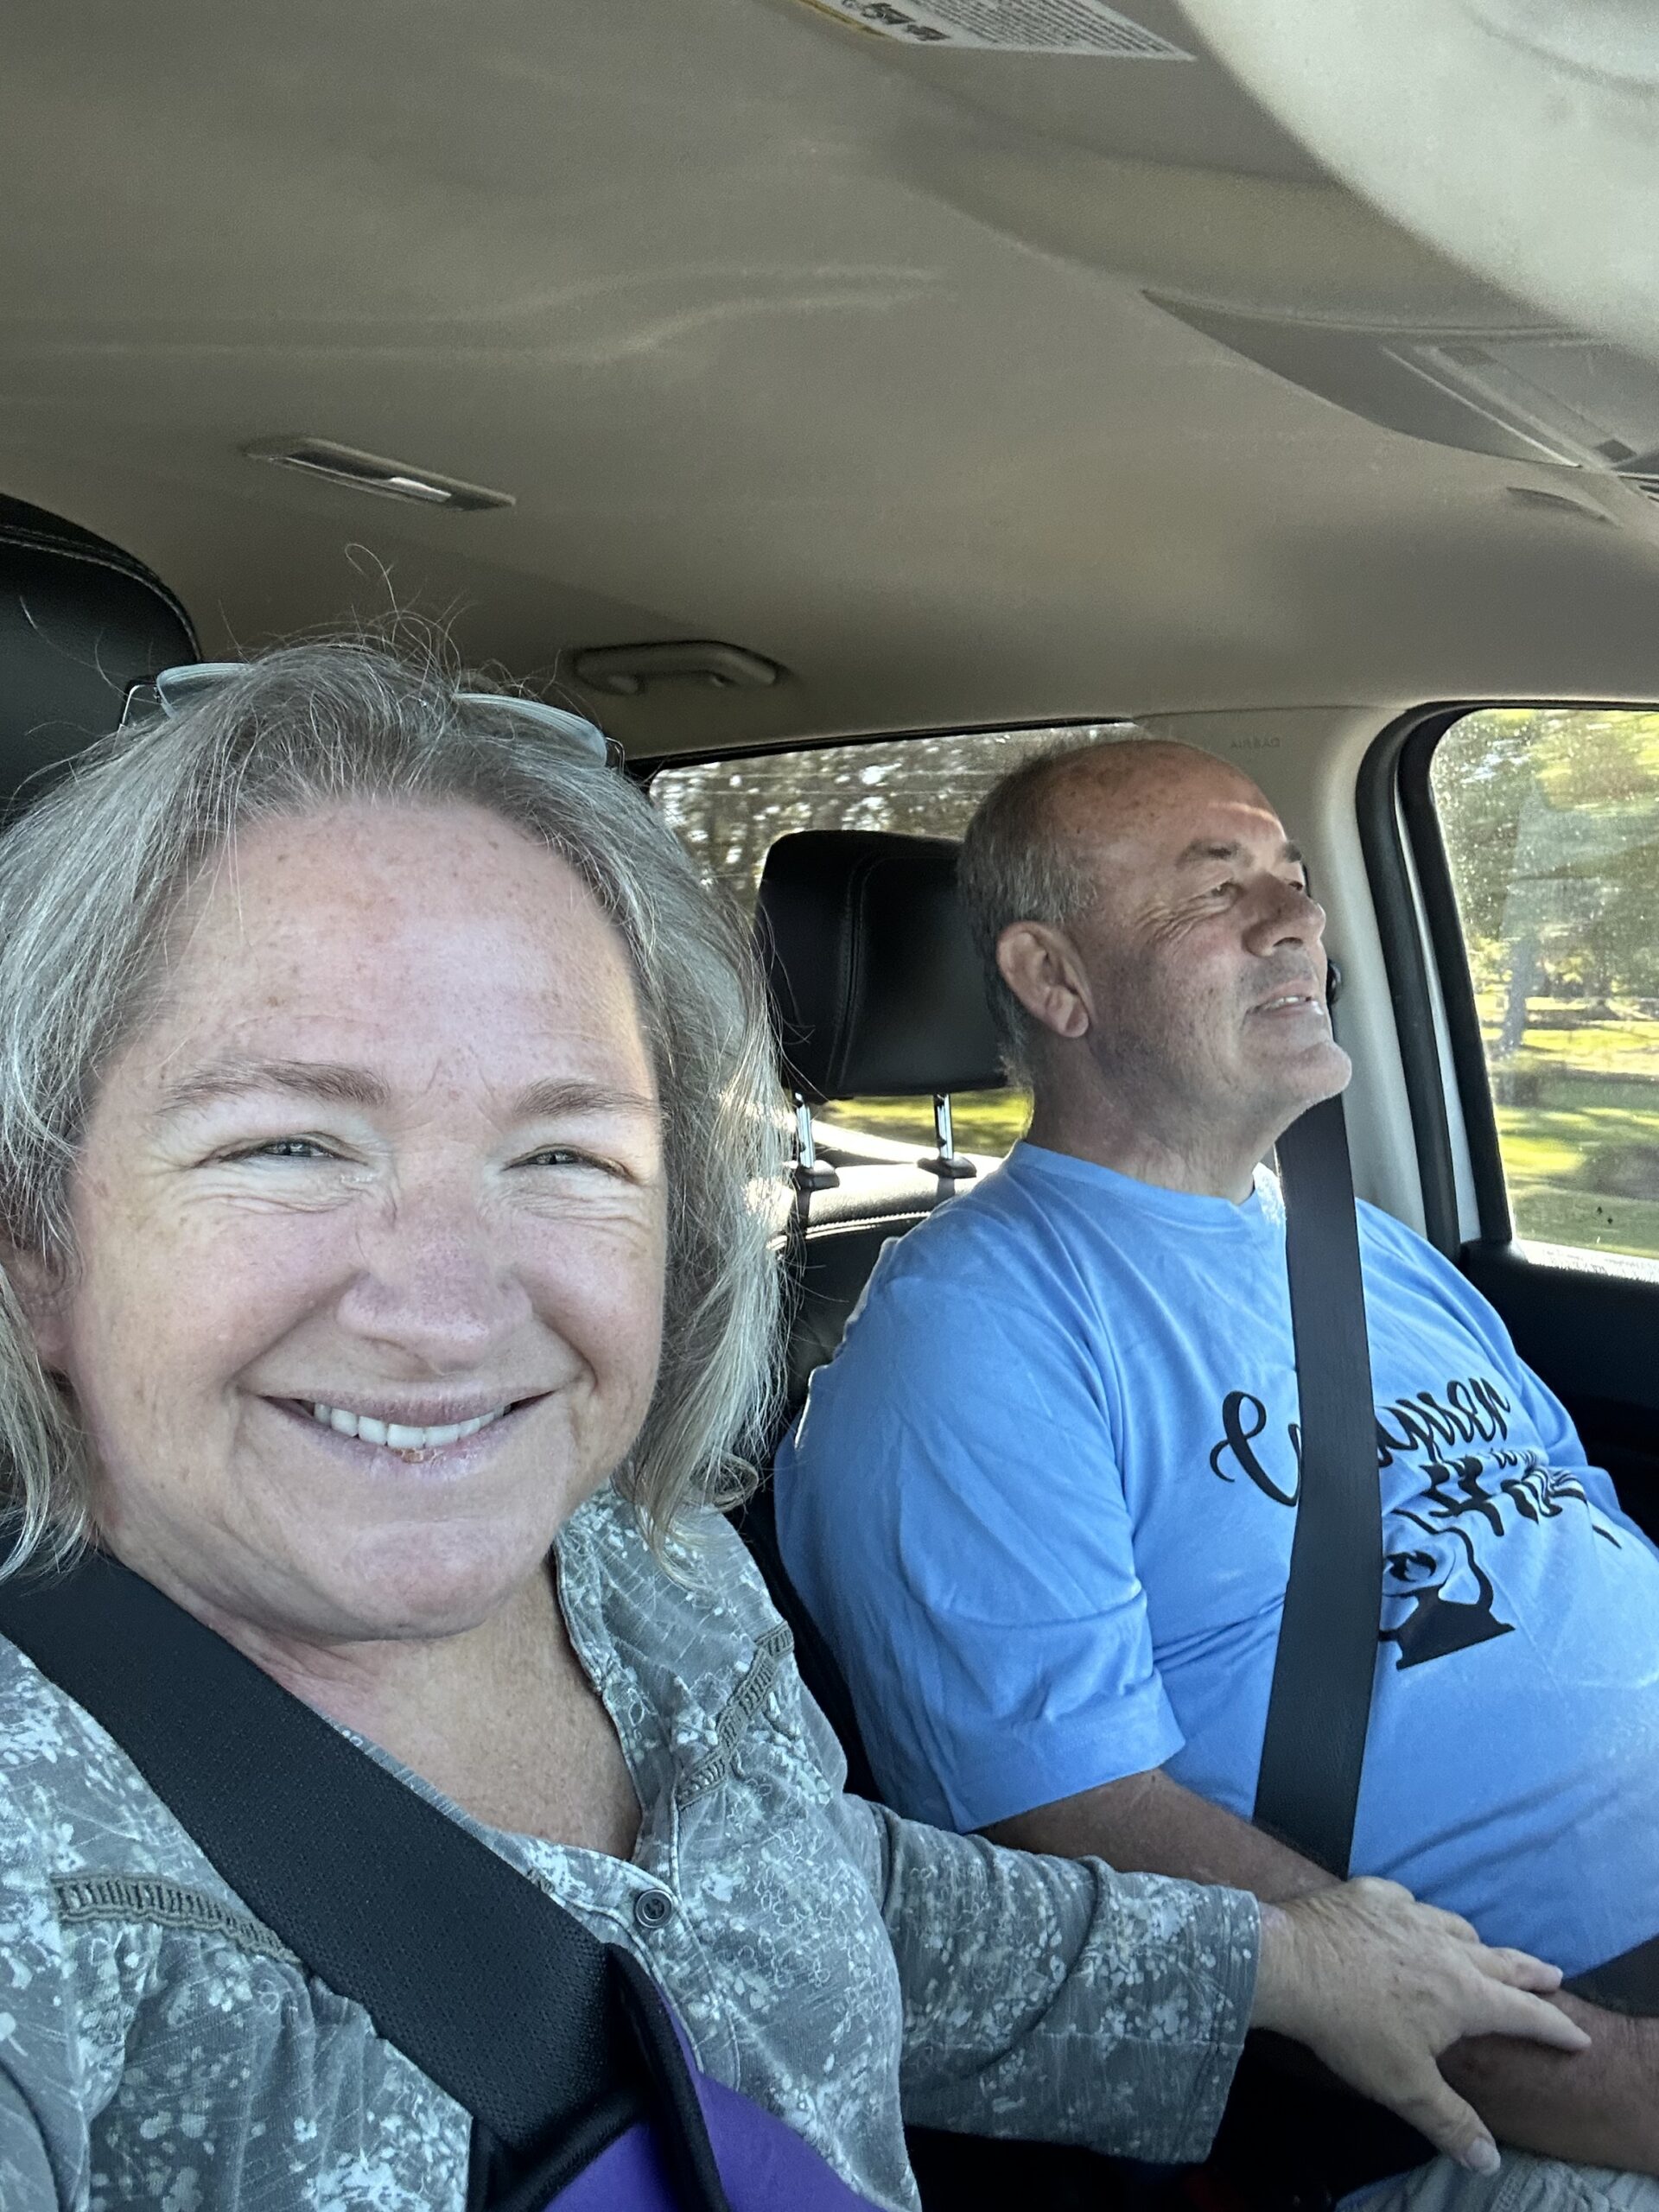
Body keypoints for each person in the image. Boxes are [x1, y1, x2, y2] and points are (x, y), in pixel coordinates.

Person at [0, 648, 1584, 2212]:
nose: (451, 1313)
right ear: (37, 1243)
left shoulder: (645, 1557)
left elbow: (808, 1887)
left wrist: (1275, 1962)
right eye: (286, 1141)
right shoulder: (44, 1865)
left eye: (565, 1154)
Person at [773, 733, 1659, 2208]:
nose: (1297, 917)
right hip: (1497, 2068)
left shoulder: (1374, 1253)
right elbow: (1077, 1838)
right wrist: (1615, 2083)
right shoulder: (973, 1338)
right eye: (1215, 889)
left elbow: (1580, 1527)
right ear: (1057, 982)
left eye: (1292, 876)